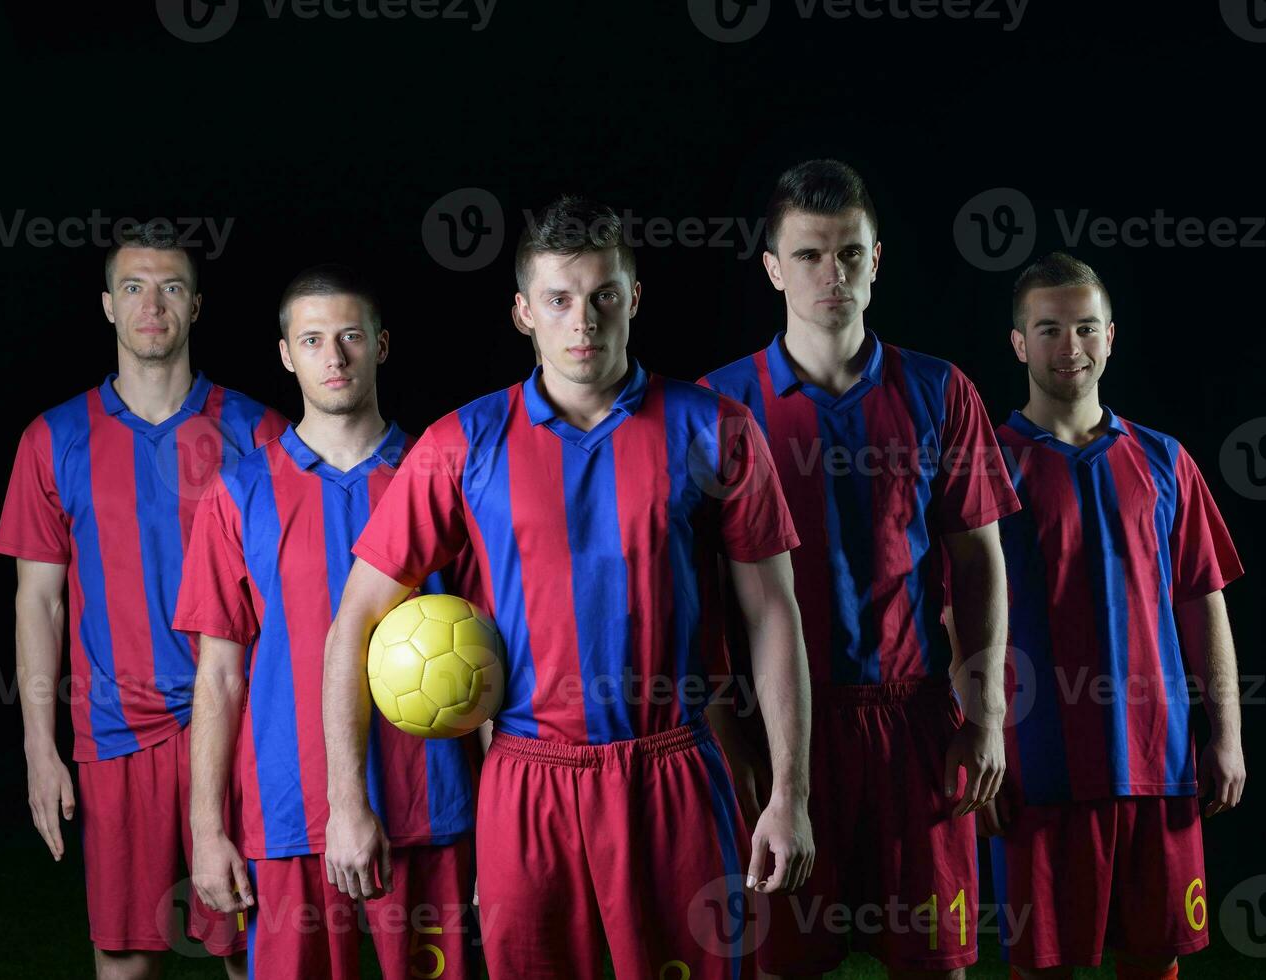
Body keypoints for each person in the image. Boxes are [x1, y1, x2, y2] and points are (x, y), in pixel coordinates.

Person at [322, 194, 815, 980]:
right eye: (558, 300)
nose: (581, 321)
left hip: (674, 773)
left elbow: (772, 615)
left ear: (633, 300)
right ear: (522, 312)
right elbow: (354, 620)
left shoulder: (714, 429)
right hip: (528, 780)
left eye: (602, 297)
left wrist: (788, 793)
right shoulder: (462, 444)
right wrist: (346, 804)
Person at [700, 160, 1019, 979]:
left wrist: (982, 716)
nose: (830, 273)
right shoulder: (716, 407)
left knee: (935, 962)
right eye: (807, 255)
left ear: (875, 261)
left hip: (911, 720)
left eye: (849, 253)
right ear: (772, 268)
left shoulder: (939, 389)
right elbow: (694, 598)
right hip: (780, 731)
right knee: (783, 963)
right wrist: (726, 735)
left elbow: (977, 563)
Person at [0, 226, 287, 979]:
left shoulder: (257, 432)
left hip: (239, 727)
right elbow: (39, 602)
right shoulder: (52, 438)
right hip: (114, 731)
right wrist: (37, 746)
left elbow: (292, 598)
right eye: (132, 287)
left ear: (196, 307)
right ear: (106, 306)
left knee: (254, 951)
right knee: (124, 959)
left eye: (170, 288)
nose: (150, 304)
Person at [173, 265, 480, 978]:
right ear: (285, 354)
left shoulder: (442, 477)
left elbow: (493, 658)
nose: (333, 357)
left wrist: (497, 819)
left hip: (428, 801)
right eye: (312, 340)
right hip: (289, 809)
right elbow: (218, 675)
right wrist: (206, 828)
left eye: (349, 336)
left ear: (381, 344)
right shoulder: (238, 492)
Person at [965, 252, 1245, 980]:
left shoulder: (1163, 460)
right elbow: (950, 618)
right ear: (1018, 344)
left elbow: (1200, 602)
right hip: (1036, 767)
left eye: (1085, 328)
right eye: (1049, 329)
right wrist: (972, 740)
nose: (1070, 348)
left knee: (1154, 964)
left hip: (1158, 762)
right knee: (1041, 964)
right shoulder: (985, 465)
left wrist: (1226, 737)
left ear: (1110, 337)